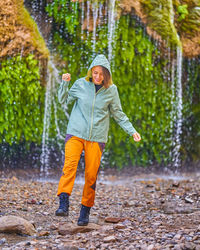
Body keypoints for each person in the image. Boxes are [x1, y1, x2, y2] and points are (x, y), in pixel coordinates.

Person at [55, 54, 141, 226]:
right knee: (69, 167)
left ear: (107, 75)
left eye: (102, 74)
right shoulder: (80, 84)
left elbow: (118, 113)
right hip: (76, 133)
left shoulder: (112, 90)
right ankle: (63, 203)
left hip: (97, 137)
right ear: (91, 72)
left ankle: (85, 210)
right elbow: (62, 100)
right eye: (95, 73)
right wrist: (64, 83)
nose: (98, 77)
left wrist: (132, 131)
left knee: (91, 175)